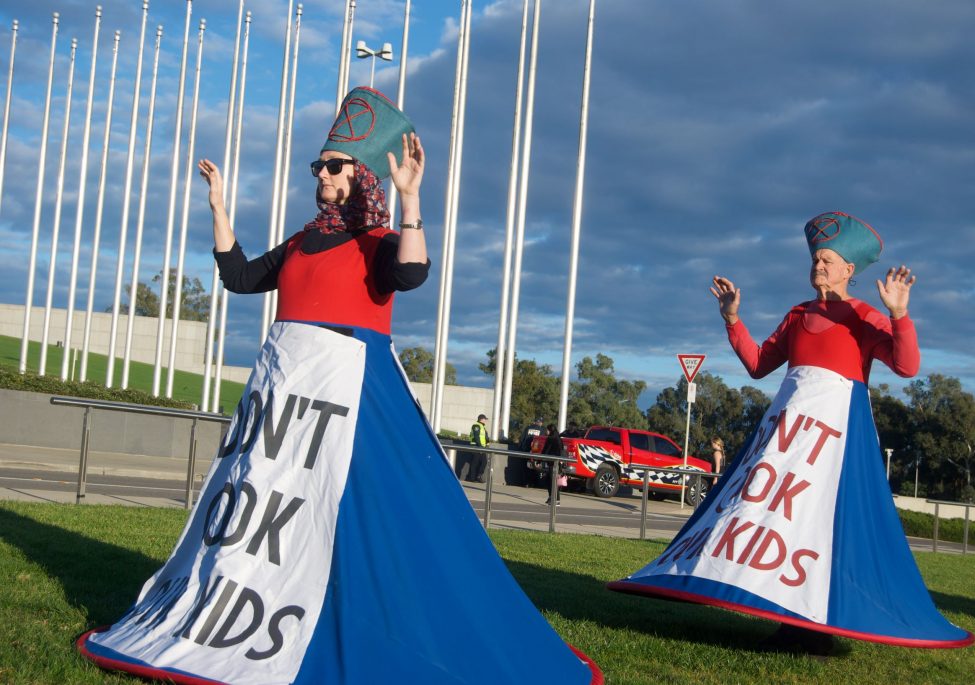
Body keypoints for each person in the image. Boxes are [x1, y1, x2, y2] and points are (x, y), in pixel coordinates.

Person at [79, 87, 601, 685]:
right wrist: (219, 208)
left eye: (333, 166)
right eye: (318, 167)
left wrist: (411, 199)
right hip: (285, 405)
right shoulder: (302, 241)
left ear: (361, 177)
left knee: (361, 517)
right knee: (267, 510)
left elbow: (411, 273)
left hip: (351, 399)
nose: (321, 174)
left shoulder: (378, 243)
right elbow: (241, 277)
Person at [610, 211, 972, 654]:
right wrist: (732, 319)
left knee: (817, 524)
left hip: (833, 439)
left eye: (826, 260)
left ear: (848, 270)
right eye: (815, 259)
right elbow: (760, 364)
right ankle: (779, 609)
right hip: (785, 436)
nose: (818, 266)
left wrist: (899, 315)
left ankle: (814, 625)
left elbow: (907, 366)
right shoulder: (798, 314)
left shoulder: (864, 316)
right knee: (771, 517)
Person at [542, 424, 563, 506]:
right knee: (549, 480)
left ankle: (556, 499)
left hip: (553, 462)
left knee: (552, 481)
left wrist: (539, 460)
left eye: (547, 429)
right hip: (555, 462)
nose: (545, 431)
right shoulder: (558, 437)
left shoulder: (551, 438)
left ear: (550, 430)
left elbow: (546, 450)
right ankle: (552, 497)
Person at [467, 413, 489, 482]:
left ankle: (479, 476)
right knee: (475, 462)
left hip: (481, 447)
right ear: (481, 419)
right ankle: (472, 478)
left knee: (484, 462)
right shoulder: (476, 426)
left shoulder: (483, 427)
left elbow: (485, 437)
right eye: (485, 419)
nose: (486, 421)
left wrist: (487, 445)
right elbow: (476, 437)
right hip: (476, 446)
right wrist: (480, 447)